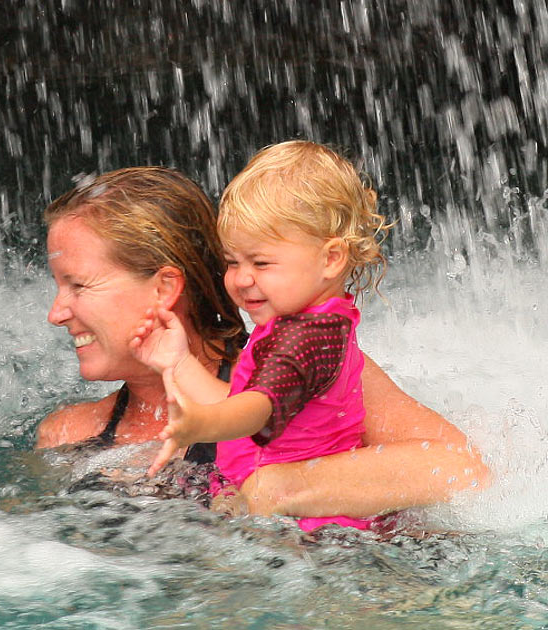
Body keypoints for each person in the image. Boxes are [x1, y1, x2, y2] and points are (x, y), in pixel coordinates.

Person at [37, 164, 489, 520]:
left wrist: (288, 486)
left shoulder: (307, 373)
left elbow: (459, 467)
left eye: (78, 286)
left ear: (164, 290)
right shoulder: (68, 435)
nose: (56, 313)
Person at [131, 141, 390, 531]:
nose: (242, 278)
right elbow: (241, 402)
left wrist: (200, 424)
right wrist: (179, 361)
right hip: (286, 515)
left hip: (312, 533)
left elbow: (254, 411)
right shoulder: (307, 323)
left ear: (331, 259)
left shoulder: (307, 337)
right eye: (233, 262)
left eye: (262, 262)